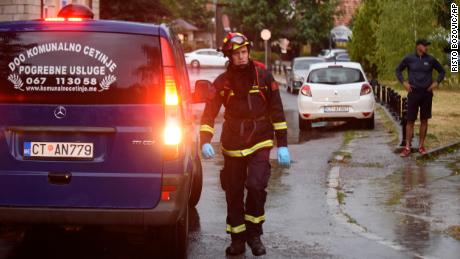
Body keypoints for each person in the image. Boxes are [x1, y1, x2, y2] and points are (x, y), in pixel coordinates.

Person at [200, 32, 291, 256]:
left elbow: (277, 111)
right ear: (229, 56)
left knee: (256, 185)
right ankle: (237, 238)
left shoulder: (263, 77)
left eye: (244, 52)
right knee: (233, 191)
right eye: (236, 54)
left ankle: (255, 235)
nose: (241, 57)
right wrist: (204, 140)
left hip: (260, 139)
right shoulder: (222, 82)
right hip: (232, 143)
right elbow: (209, 113)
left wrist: (283, 144)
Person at [395, 38, 445, 157]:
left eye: (427, 45)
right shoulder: (409, 58)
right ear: (418, 46)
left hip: (426, 94)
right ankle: (407, 147)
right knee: (410, 120)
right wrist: (404, 83)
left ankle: (421, 146)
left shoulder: (431, 59)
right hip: (413, 93)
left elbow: (442, 71)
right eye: (424, 45)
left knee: (424, 120)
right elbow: (398, 70)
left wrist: (436, 83)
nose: (426, 47)